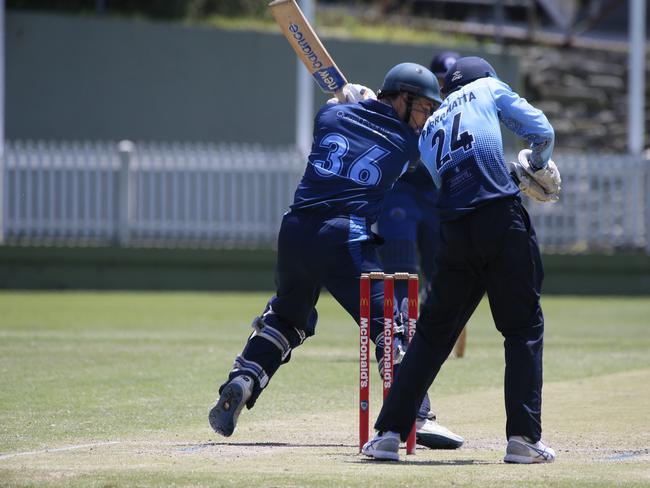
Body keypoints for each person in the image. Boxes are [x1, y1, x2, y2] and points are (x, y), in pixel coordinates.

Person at [208, 62, 462, 450]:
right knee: (390, 327)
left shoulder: (330, 115)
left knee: (287, 317)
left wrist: (349, 97)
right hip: (345, 234)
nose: (424, 119)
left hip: (294, 231)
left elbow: (339, 110)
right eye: (423, 108)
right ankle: (417, 414)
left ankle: (243, 380)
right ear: (403, 99)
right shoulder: (408, 145)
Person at [361, 56, 561, 463]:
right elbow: (542, 130)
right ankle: (523, 438)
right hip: (500, 221)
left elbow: (448, 179)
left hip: (454, 231)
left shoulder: (430, 126)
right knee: (523, 327)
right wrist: (533, 167)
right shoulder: (486, 87)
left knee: (433, 335)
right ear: (483, 78)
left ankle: (388, 434)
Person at [376, 51, 469, 361]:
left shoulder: (460, 113)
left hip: (434, 199)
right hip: (399, 194)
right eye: (441, 82)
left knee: (441, 269)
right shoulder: (410, 108)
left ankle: (435, 327)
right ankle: (400, 330)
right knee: (400, 264)